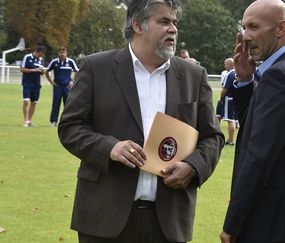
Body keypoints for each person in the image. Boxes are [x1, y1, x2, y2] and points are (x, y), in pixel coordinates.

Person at [58, 0, 224, 242]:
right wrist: (109, 147)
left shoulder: (193, 76)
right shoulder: (97, 67)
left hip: (168, 222)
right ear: (137, 25)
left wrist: (193, 167)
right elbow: (70, 127)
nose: (173, 29)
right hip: (103, 218)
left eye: (175, 22)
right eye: (164, 21)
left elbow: (212, 137)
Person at [220, 0, 285, 242]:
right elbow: (261, 129)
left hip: (268, 217)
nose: (245, 36)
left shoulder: (279, 75)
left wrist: (232, 223)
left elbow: (259, 155)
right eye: (244, 27)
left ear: (280, 29)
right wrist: (245, 82)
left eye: (253, 27)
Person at [45, 47, 79, 127]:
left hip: (67, 87)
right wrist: (51, 81)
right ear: (58, 53)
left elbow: (78, 71)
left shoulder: (70, 62)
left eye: (64, 53)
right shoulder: (54, 62)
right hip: (57, 87)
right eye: (61, 52)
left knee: (67, 105)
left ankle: (67, 121)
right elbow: (46, 71)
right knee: (56, 104)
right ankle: (53, 121)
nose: (62, 54)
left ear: (66, 53)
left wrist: (72, 81)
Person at [20, 45, 46, 127]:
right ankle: (25, 121)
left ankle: (29, 121)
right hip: (27, 84)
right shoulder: (27, 57)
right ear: (38, 52)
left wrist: (42, 71)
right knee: (26, 101)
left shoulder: (41, 60)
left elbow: (42, 72)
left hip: (37, 85)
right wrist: (34, 70)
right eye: (42, 54)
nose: (42, 56)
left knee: (34, 103)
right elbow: (22, 69)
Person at [219, 60, 237, 145]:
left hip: (229, 99)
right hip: (237, 99)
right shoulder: (238, 72)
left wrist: (221, 98)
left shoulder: (230, 74)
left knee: (230, 120)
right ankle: (231, 139)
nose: (224, 66)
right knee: (234, 119)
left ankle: (230, 140)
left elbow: (224, 89)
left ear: (230, 64)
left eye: (225, 64)